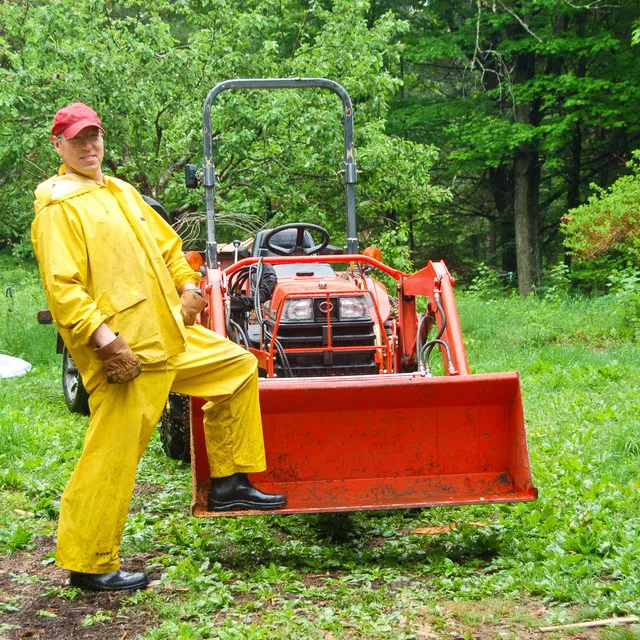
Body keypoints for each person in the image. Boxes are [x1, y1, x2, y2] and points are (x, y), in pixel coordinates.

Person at [31, 102, 286, 592]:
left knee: (236, 367)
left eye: (94, 136)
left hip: (168, 334)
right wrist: (106, 343)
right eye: (77, 139)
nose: (89, 147)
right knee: (113, 455)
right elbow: (63, 290)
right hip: (127, 352)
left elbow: (167, 246)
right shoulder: (58, 205)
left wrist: (188, 286)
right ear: (58, 145)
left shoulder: (121, 191)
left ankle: (230, 484)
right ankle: (90, 563)